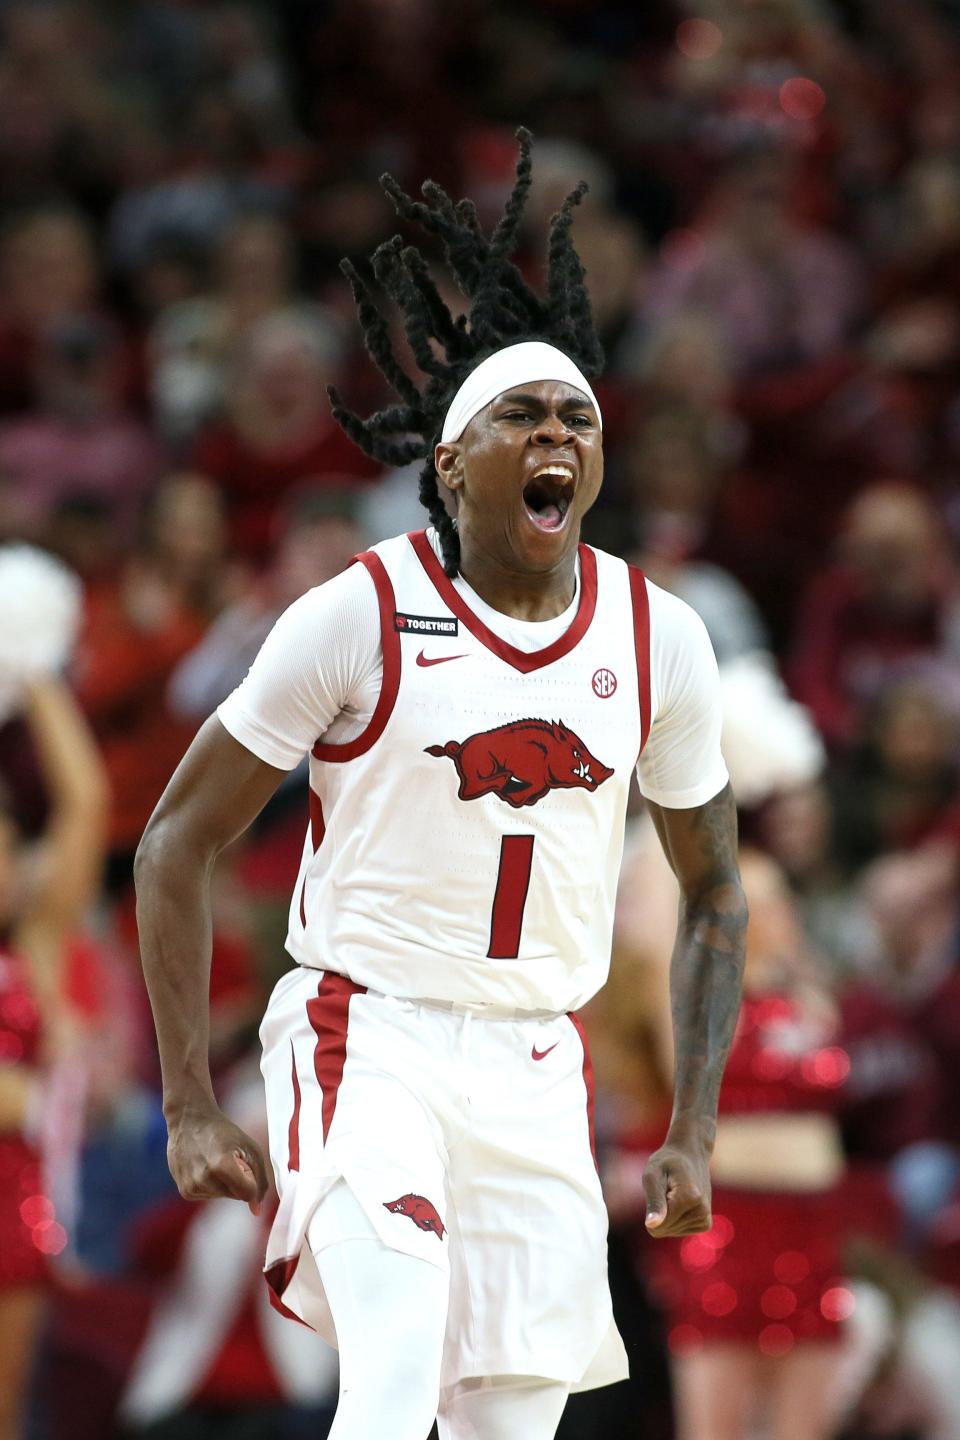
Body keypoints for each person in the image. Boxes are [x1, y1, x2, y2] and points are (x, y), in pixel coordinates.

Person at [135, 130, 747, 1440]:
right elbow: (175, 842)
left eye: (578, 417)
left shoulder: (662, 638)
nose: (558, 434)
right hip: (370, 1033)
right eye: (523, 414)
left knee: (511, 1420)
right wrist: (190, 1098)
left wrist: (694, 1123)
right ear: (453, 462)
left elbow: (715, 895)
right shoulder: (356, 612)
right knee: (397, 1365)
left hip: (537, 1058)